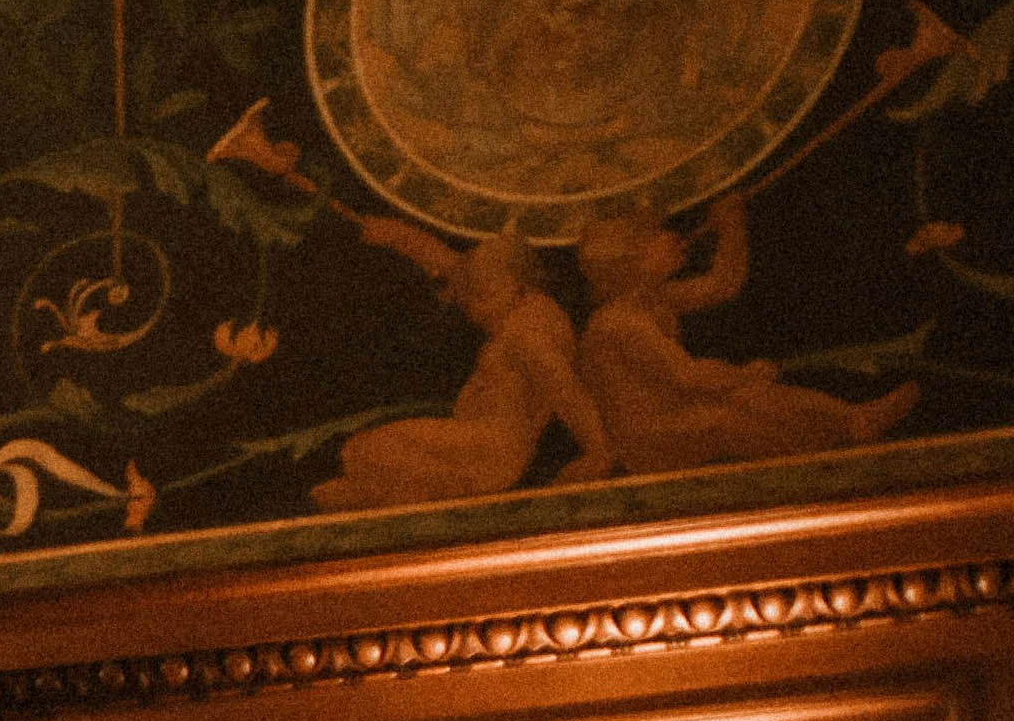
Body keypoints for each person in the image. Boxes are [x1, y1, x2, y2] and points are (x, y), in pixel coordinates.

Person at [569, 196, 916, 475]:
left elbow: (723, 284)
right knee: (724, 419)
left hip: (676, 415)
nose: (668, 236)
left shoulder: (653, 299)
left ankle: (853, 420)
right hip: (648, 442)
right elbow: (688, 375)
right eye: (649, 240)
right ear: (627, 265)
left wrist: (732, 228)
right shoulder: (620, 322)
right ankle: (824, 462)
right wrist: (743, 374)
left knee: (750, 397)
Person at [309, 215, 607, 514]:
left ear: (517, 285)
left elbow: (567, 393)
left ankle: (434, 489)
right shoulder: (522, 307)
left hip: (493, 449)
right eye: (472, 298)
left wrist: (597, 453)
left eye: (483, 297)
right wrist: (396, 235)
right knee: (350, 468)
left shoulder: (527, 333)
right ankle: (398, 490)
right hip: (480, 438)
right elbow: (452, 266)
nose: (474, 310)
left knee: (370, 449)